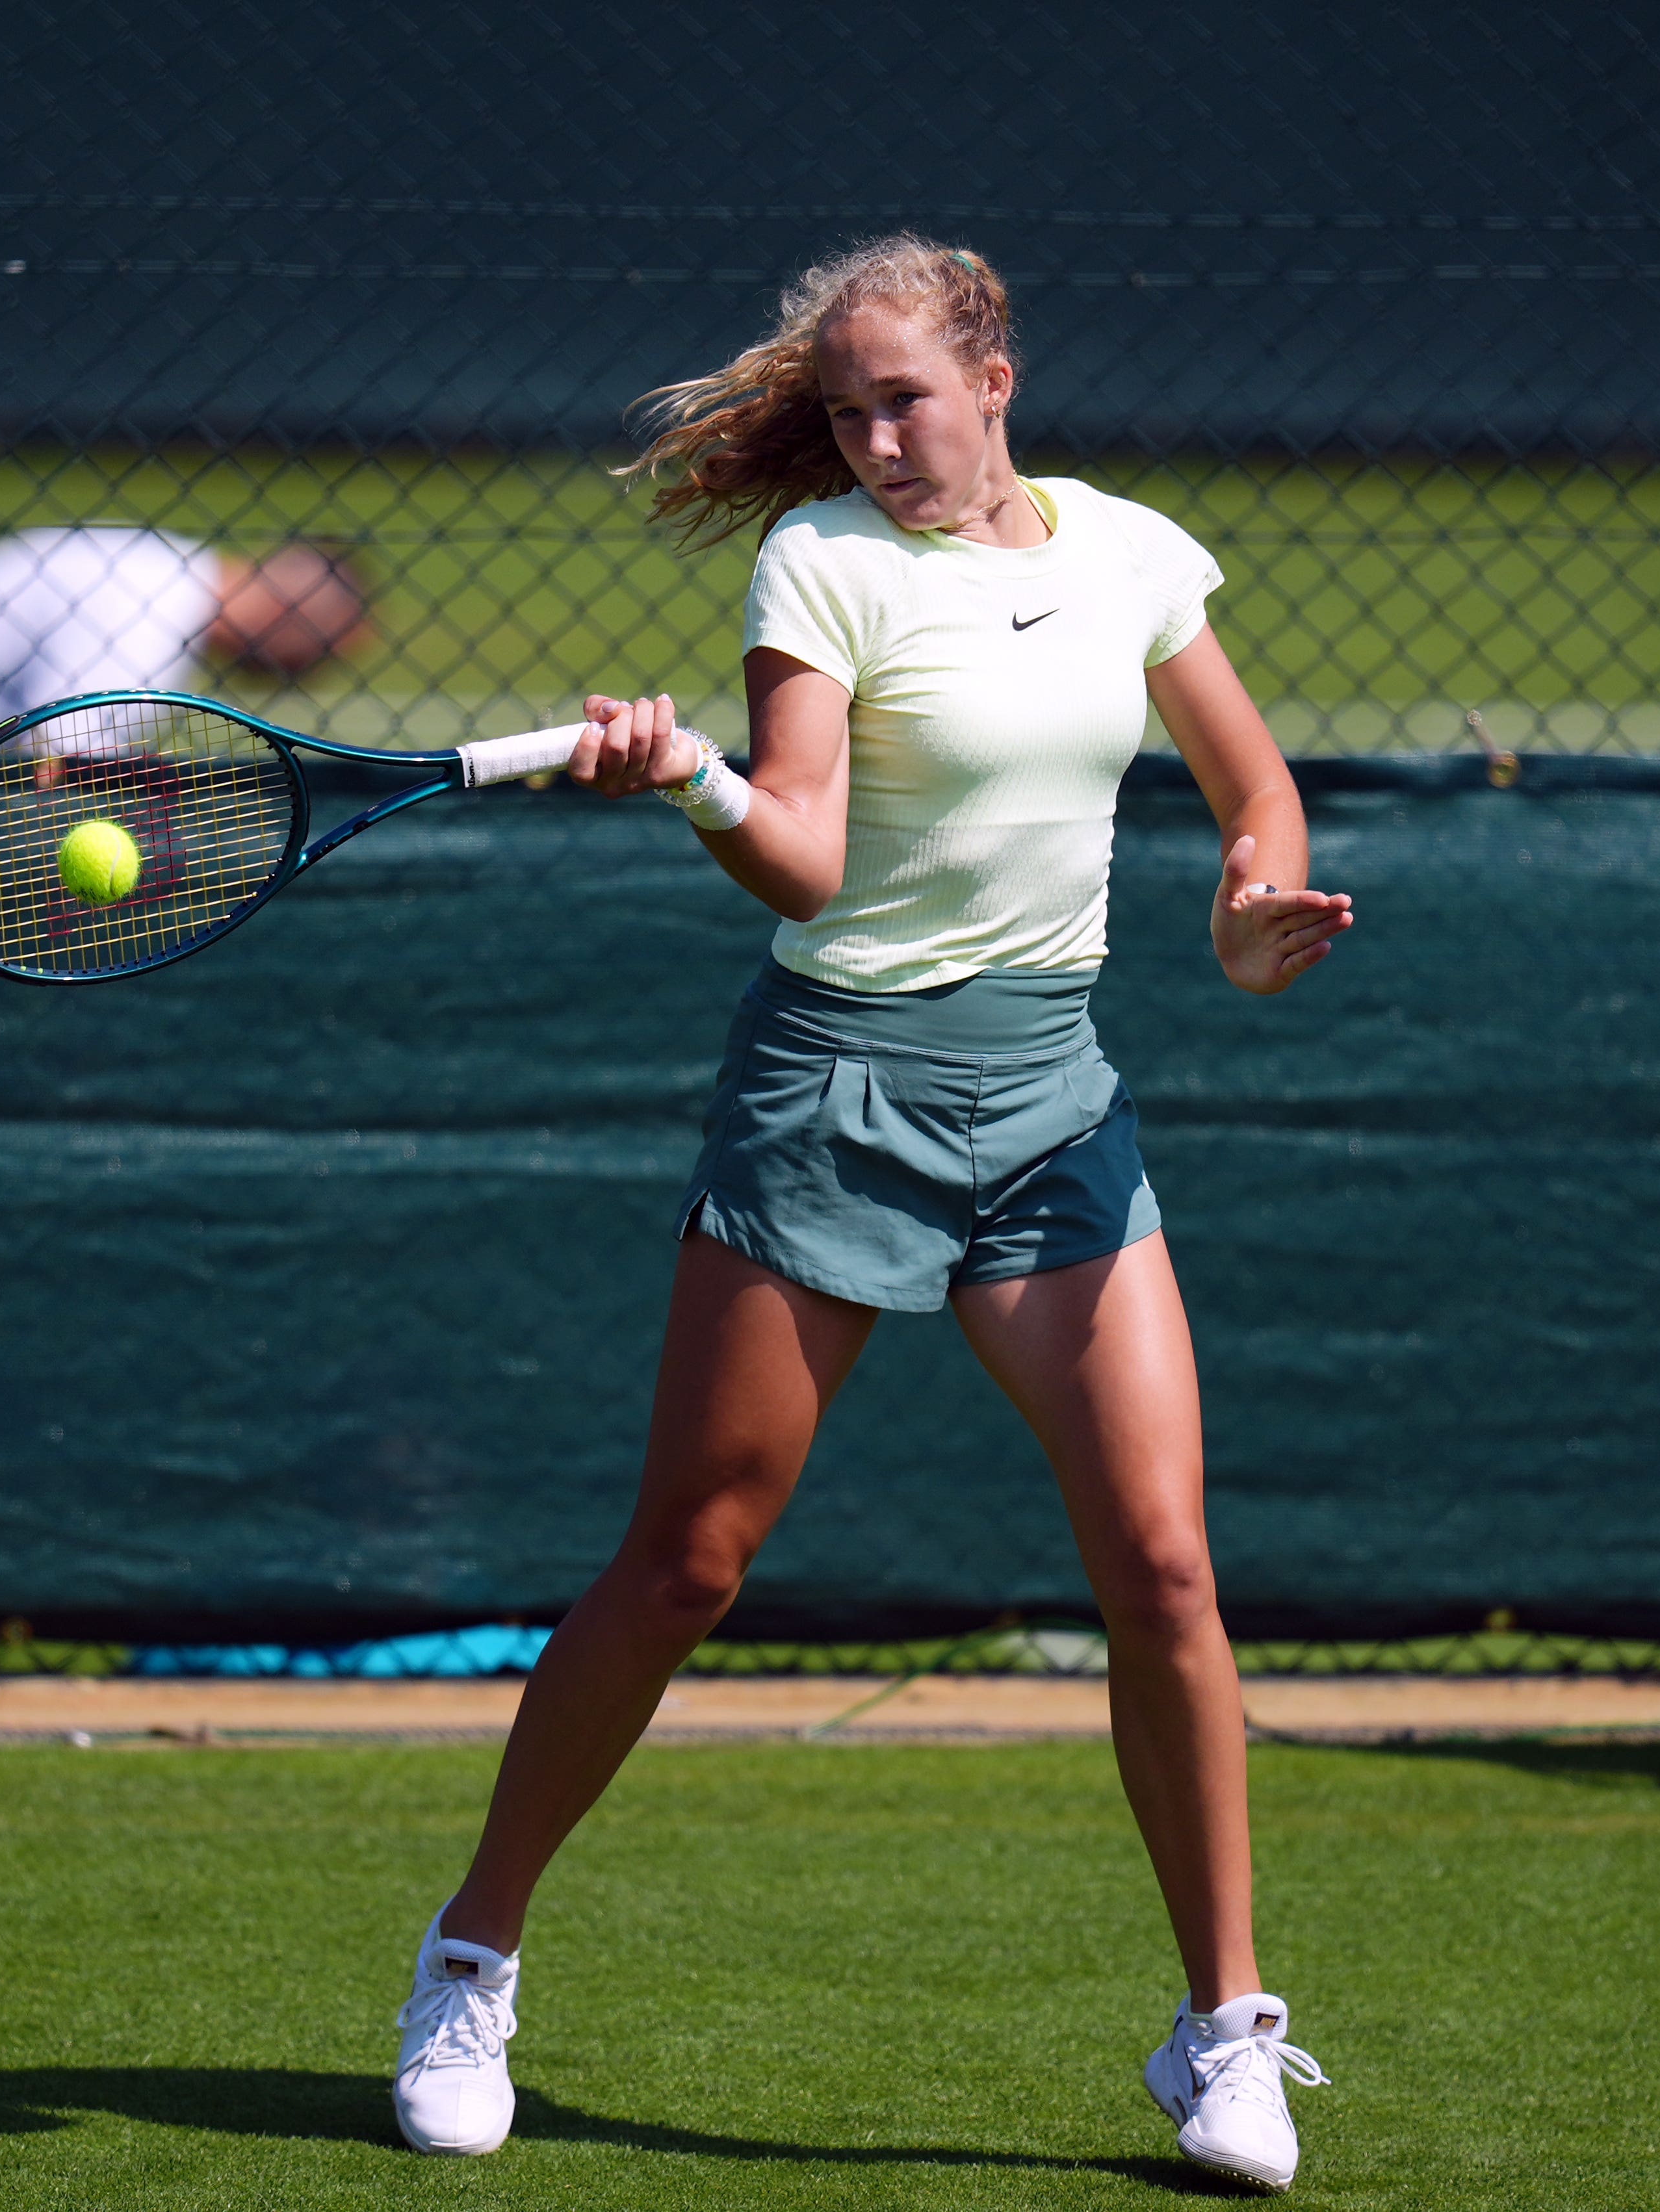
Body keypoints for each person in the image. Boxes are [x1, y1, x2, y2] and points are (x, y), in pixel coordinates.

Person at [386, 237, 1353, 2189]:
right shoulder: (820, 568)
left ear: (998, 375)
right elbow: (810, 864)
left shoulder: (1134, 557)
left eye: (904, 399)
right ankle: (467, 1956)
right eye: (845, 411)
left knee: (1165, 1570)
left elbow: (1255, 788)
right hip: (832, 1094)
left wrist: (1253, 916)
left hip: (1053, 1099)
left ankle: (1224, 2033)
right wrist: (696, 785)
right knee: (688, 1563)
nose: (875, 438)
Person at [0, 528, 367, 755]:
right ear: (290, 613)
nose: (298, 676)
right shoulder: (150, 620)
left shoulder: (151, 569)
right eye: (309, 657)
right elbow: (56, 758)